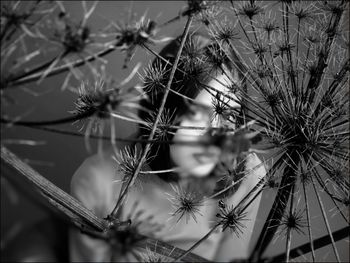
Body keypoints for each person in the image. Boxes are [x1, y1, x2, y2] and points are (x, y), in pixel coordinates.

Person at [69, 31, 266, 262]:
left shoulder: (248, 174)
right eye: (196, 115)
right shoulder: (98, 181)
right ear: (161, 113)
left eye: (228, 115)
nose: (216, 137)